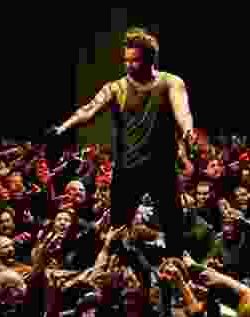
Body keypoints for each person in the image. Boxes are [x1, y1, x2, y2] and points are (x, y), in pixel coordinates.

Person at [49, 27, 198, 257]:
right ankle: (115, 276)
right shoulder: (116, 87)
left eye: (134, 60)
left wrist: (188, 132)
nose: (128, 65)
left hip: (162, 169)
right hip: (127, 170)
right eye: (125, 60)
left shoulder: (170, 82)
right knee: (117, 232)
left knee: (173, 230)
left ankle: (177, 277)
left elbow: (182, 111)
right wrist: (63, 128)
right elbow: (89, 110)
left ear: (150, 60)